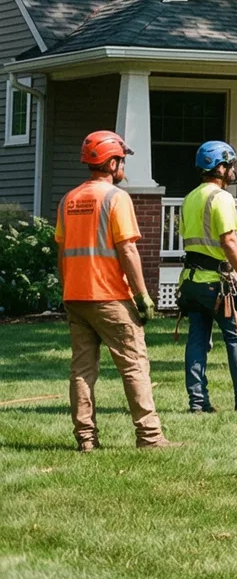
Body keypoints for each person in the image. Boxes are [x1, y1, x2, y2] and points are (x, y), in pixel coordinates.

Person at [55, 131, 171, 451]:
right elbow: (128, 250)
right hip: (110, 296)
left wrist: (67, 291)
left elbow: (62, 253)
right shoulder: (116, 198)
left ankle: (86, 440)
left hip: (75, 297)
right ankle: (150, 437)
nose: (123, 167)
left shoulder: (68, 200)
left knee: (82, 370)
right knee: (134, 365)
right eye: (121, 160)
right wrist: (142, 295)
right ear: (111, 163)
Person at [179, 140, 237, 413]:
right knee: (236, 338)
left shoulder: (189, 198)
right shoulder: (222, 198)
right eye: (229, 165)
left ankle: (198, 403)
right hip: (217, 285)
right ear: (219, 168)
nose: (232, 170)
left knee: (196, 341)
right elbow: (228, 241)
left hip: (191, 283)